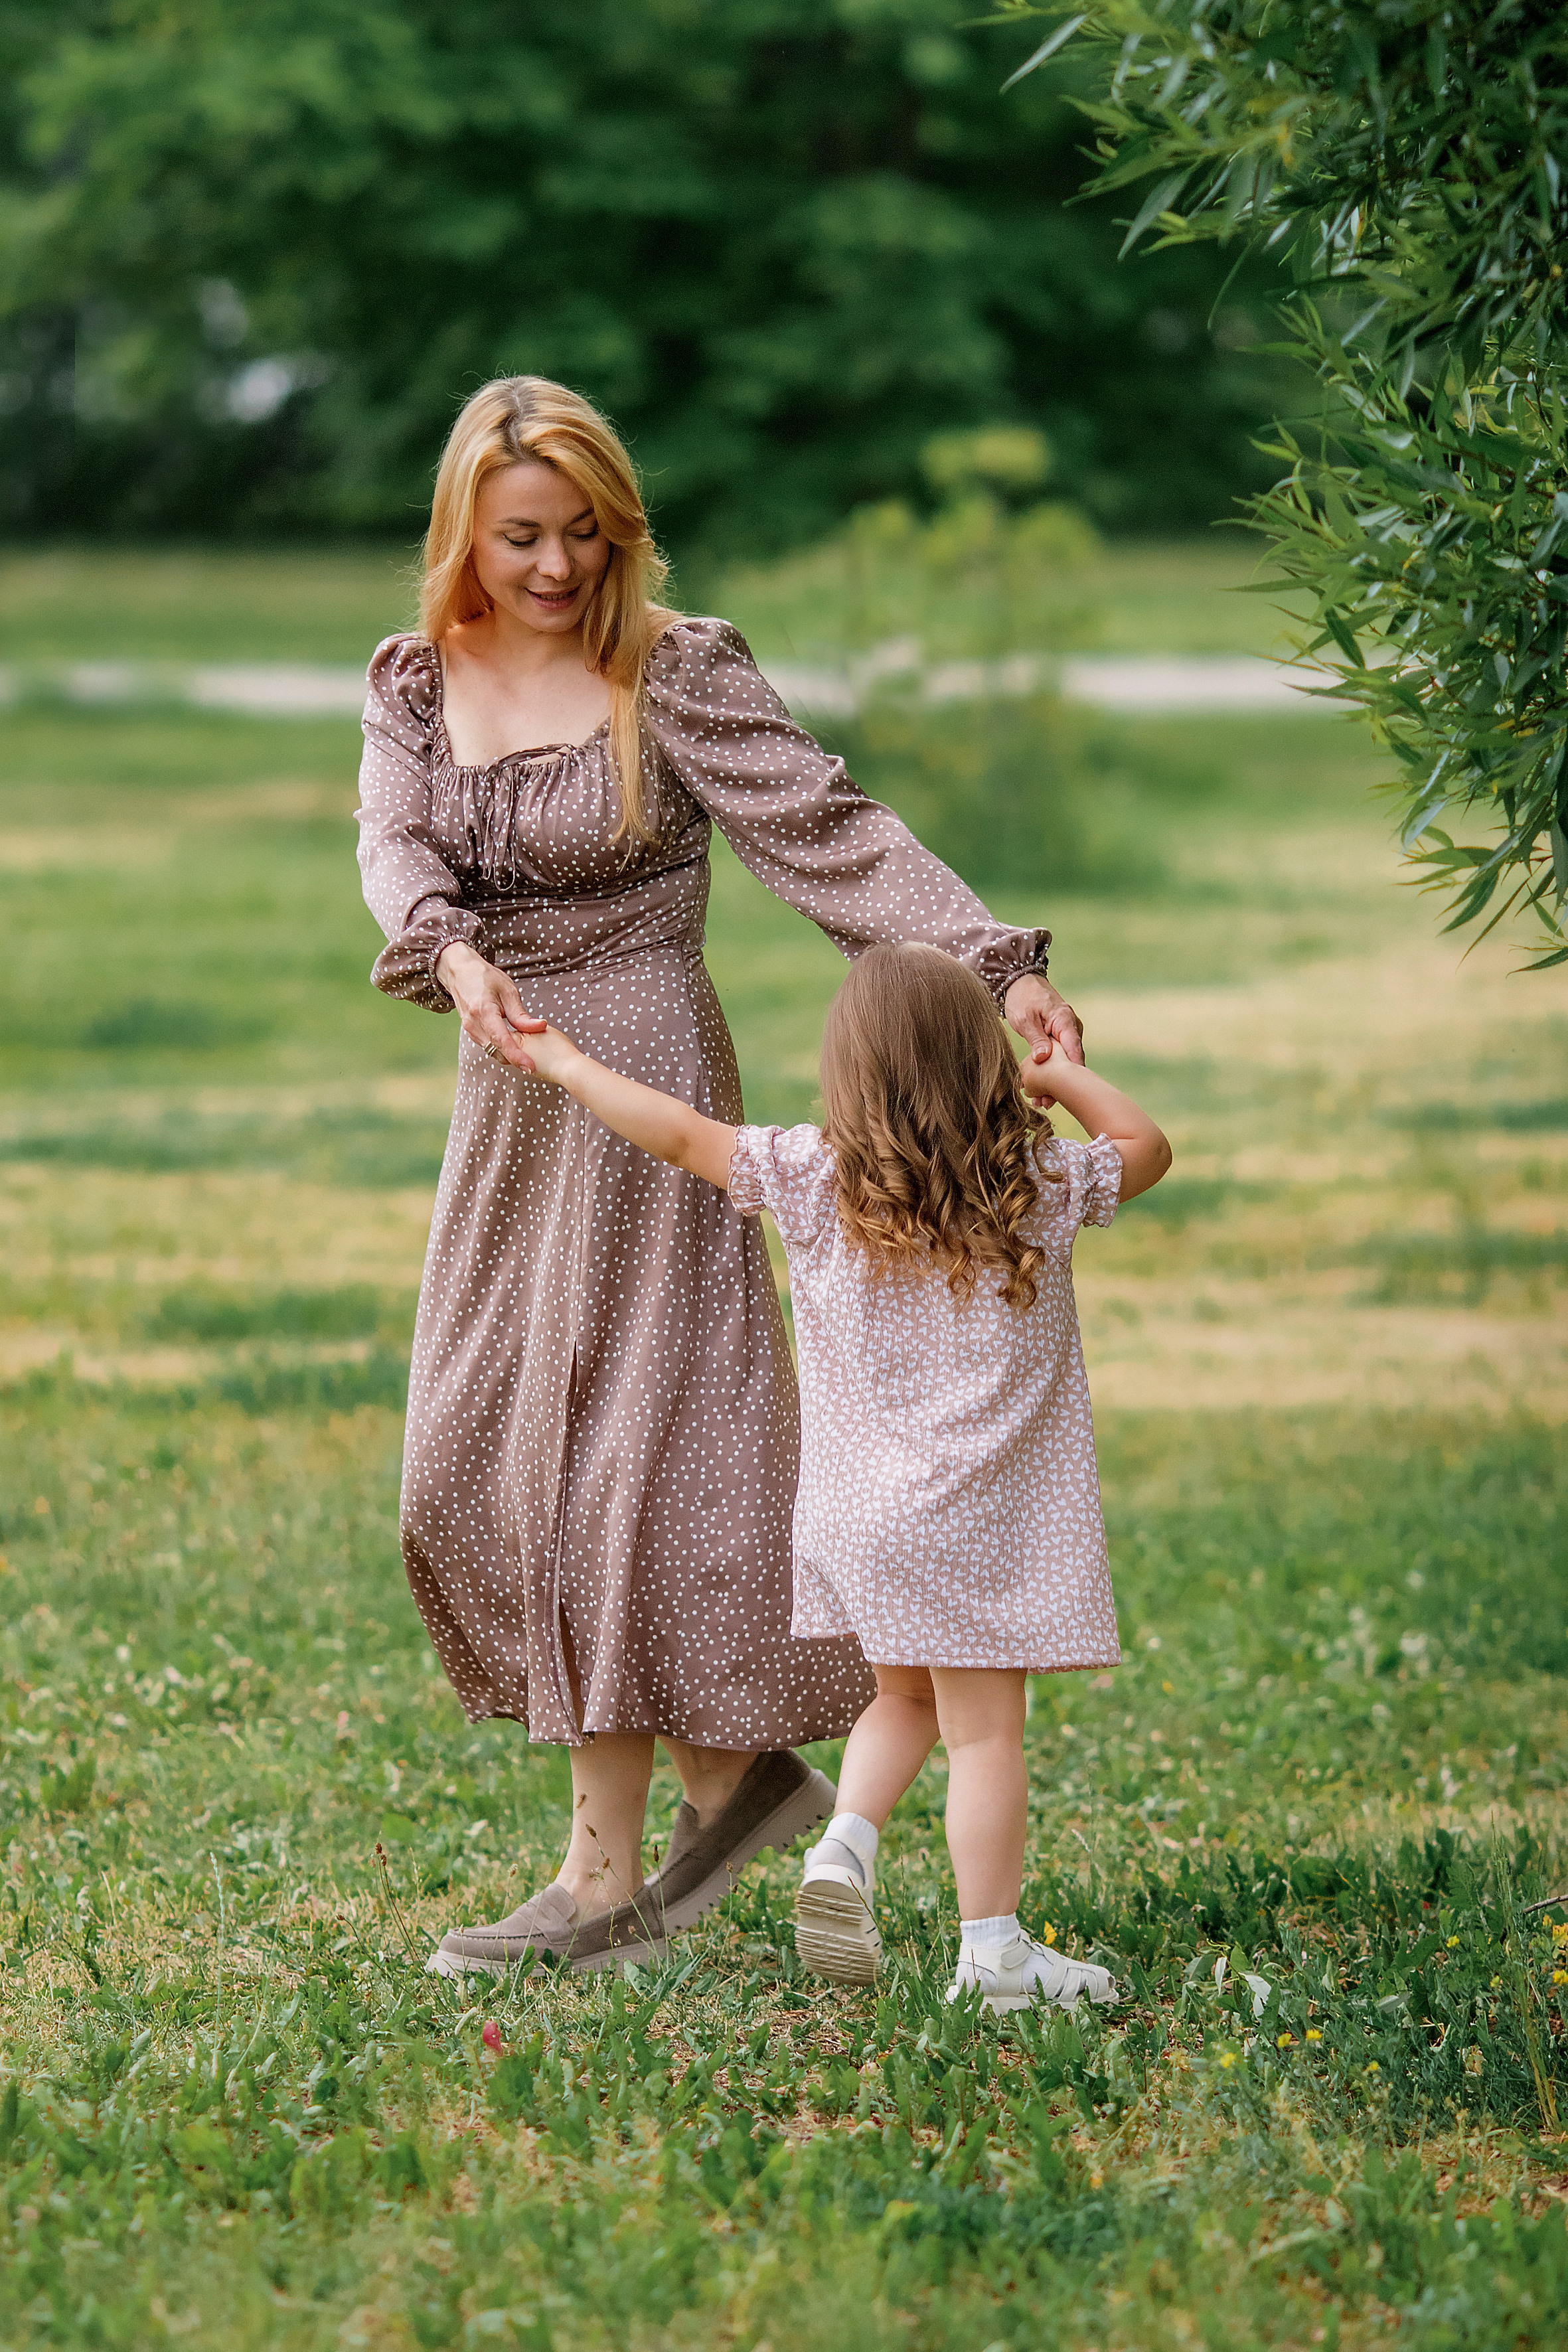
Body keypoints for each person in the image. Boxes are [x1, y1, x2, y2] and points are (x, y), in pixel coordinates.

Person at [354, 375, 1089, 1976]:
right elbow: (395, 848)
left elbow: (827, 836)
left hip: (655, 1085)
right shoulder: (416, 683)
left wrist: (989, 961)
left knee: (619, 1456)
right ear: (462, 535)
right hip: (513, 1091)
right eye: (523, 537)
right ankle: (738, 1780)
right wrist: (452, 952)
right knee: (468, 1452)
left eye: (586, 533)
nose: (557, 567)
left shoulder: (670, 673)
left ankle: (598, 1875)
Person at [508, 943, 1171, 2007]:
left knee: (900, 1696)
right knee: (986, 1733)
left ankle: (842, 1851)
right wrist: (1056, 1075)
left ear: (848, 1070)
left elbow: (681, 1134)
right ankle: (994, 1951)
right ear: (984, 1063)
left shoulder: (816, 1177)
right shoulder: (1038, 1182)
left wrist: (571, 1067)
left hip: (860, 1520)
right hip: (976, 1523)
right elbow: (1145, 1147)